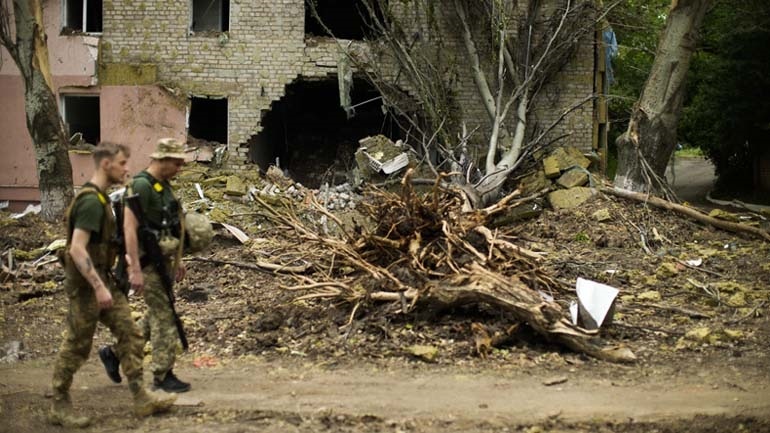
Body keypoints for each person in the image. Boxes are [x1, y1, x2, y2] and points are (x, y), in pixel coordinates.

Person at [50, 142, 176, 428]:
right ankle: (59, 403)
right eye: (121, 163)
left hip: (105, 280)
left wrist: (122, 269)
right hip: (86, 287)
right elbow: (77, 250)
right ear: (106, 164)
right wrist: (98, 287)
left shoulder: (103, 199)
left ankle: (141, 397)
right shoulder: (91, 203)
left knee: (130, 334)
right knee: (77, 345)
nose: (127, 168)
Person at [99, 138, 191, 393]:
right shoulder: (141, 185)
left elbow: (172, 225)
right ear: (161, 159)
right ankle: (162, 374)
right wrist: (134, 269)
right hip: (146, 263)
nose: (179, 168)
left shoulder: (164, 186)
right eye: (176, 163)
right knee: (164, 317)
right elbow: (129, 228)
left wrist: (178, 260)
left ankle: (115, 353)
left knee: (157, 314)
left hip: (163, 261)